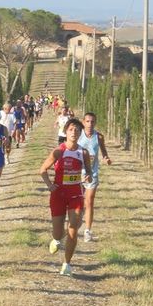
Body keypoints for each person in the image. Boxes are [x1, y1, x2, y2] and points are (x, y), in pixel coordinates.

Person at [40, 118, 92, 276]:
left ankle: (67, 264)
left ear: (80, 133)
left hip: (76, 195)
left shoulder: (83, 153)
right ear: (66, 131)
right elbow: (42, 169)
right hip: (58, 195)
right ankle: (56, 239)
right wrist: (50, 185)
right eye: (71, 129)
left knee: (73, 229)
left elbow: (88, 171)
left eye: (77, 130)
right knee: (58, 231)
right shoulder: (59, 151)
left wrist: (87, 177)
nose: (74, 132)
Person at [77, 112, 112, 242]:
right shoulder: (78, 135)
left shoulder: (99, 137)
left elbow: (103, 151)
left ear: (95, 123)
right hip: (78, 173)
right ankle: (74, 225)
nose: (90, 124)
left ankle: (87, 231)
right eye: (87, 121)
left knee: (89, 201)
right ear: (83, 122)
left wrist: (106, 158)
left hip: (92, 173)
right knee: (78, 202)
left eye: (92, 122)